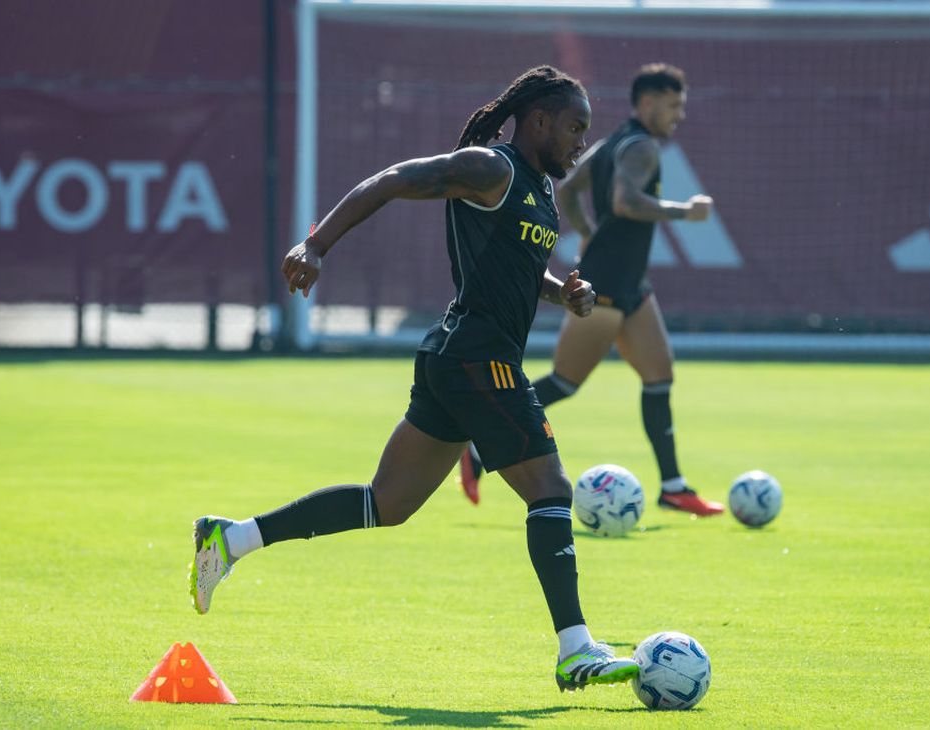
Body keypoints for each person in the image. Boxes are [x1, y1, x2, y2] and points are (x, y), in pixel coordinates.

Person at [189, 66, 639, 692]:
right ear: (538, 120)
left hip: (455, 357)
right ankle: (576, 649)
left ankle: (231, 539)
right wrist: (316, 245)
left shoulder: (537, 187)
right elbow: (393, 179)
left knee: (388, 504)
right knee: (551, 488)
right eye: (574, 128)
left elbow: (514, 266)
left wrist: (562, 291)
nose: (582, 142)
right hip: (479, 358)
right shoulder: (492, 168)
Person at [458, 63, 725, 517]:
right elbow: (625, 200)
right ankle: (480, 445)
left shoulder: (613, 143)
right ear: (648, 102)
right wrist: (685, 212)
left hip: (631, 284)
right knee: (565, 381)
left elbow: (570, 191)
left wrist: (586, 232)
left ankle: (674, 487)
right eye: (673, 106)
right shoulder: (642, 147)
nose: (679, 115)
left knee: (659, 376)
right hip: (606, 283)